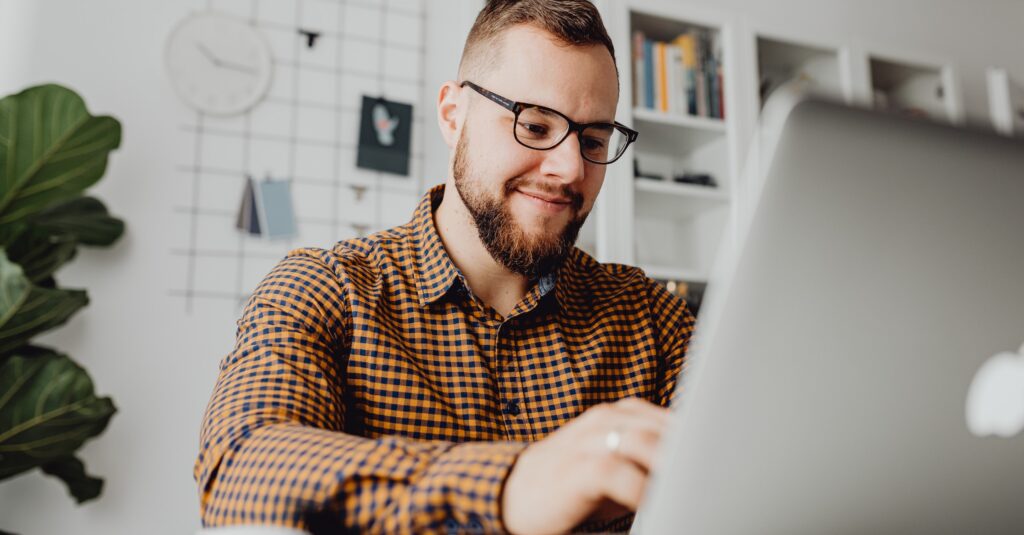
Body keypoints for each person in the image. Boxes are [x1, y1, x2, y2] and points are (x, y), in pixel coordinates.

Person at [194, 1, 694, 533]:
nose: (570, 168)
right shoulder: (325, 288)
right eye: (535, 124)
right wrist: (513, 485)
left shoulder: (652, 319)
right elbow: (239, 475)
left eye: (592, 140)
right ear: (453, 115)